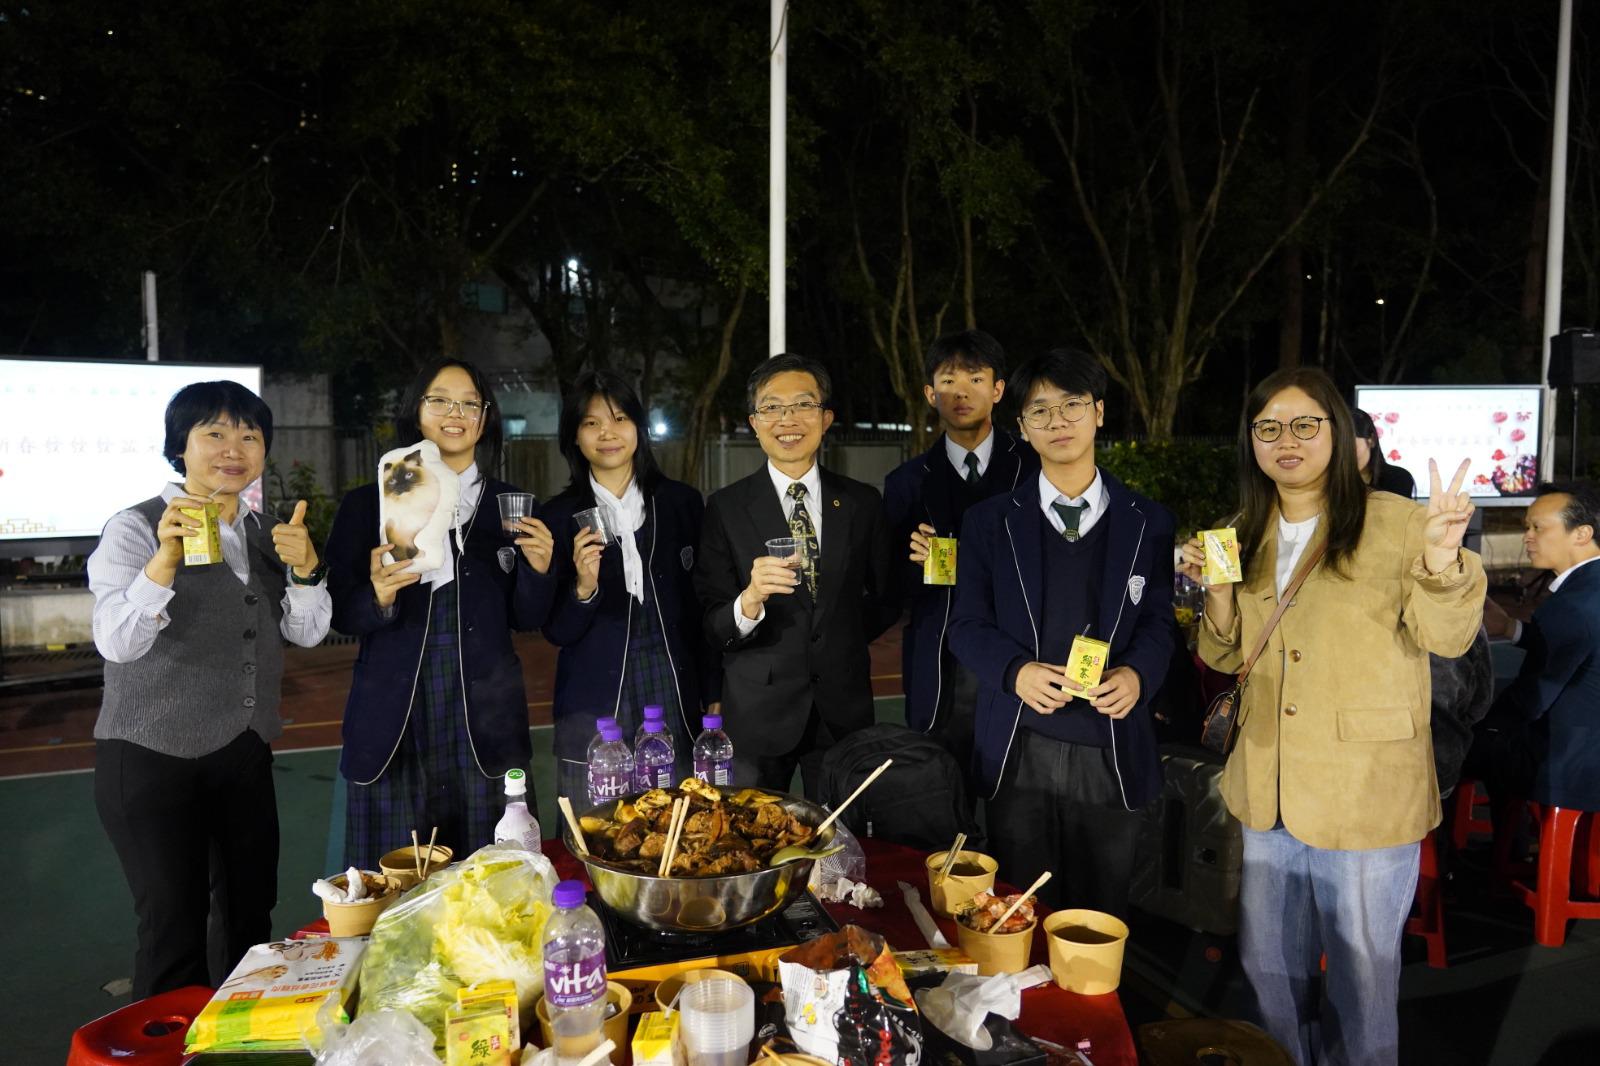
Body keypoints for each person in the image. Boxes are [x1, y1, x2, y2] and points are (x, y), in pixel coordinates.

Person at [1181, 367, 1483, 1066]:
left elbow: (1447, 637)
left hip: (1365, 788)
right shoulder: (1240, 529)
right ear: (1251, 441)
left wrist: (1443, 559)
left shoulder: (1399, 522)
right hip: (1269, 783)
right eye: (1268, 427)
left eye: (1304, 424)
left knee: (1361, 978)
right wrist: (1215, 594)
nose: (1285, 440)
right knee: (1268, 967)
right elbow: (1223, 654)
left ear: (1339, 433)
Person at [88, 380, 331, 998]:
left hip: (243, 752)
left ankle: (238, 1034)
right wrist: (163, 562)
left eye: (250, 436)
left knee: (251, 917)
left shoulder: (268, 532)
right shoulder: (134, 528)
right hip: (150, 755)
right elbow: (116, 642)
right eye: (214, 433)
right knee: (173, 929)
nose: (234, 449)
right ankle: (167, 1041)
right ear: (181, 446)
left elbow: (306, 633)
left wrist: (306, 571)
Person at [947, 348, 1175, 918]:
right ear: (1022, 427)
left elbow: (1159, 621)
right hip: (1020, 742)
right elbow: (965, 624)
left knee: (1102, 912)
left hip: (1110, 742)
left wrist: (1138, 675)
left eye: (1072, 405)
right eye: (1040, 410)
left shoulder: (1148, 521)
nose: (1058, 421)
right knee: (1019, 910)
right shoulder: (989, 522)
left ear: (1098, 412)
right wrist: (1015, 672)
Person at [325, 358, 556, 868]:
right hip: (395, 720)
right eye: (440, 400)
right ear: (416, 410)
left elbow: (527, 616)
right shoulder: (368, 504)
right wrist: (378, 597)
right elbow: (339, 611)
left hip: (486, 720)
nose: (456, 413)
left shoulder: (510, 506)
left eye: (470, 403)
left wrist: (539, 570)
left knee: (494, 885)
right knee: (394, 889)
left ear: (485, 418)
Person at [694, 353, 897, 795]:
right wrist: (749, 600)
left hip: (843, 707)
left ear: (826, 418)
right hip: (758, 712)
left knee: (841, 831)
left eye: (803, 404)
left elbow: (885, 596)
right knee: (755, 829)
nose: (788, 419)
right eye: (772, 407)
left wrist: (841, 641)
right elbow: (711, 621)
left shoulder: (862, 502)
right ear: (754, 422)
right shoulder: (725, 508)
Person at [541, 370, 716, 799]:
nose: (608, 433)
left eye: (620, 418)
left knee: (681, 818)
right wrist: (584, 588)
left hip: (673, 687)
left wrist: (713, 690)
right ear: (575, 437)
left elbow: (704, 608)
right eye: (591, 423)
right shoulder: (557, 517)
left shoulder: (681, 504)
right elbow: (556, 631)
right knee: (597, 827)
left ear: (638, 427)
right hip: (594, 704)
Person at [884, 329, 1036, 787]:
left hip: (1019, 660)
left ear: (998, 390)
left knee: (1015, 799)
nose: (961, 392)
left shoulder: (1034, 469)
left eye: (975, 379)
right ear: (930, 394)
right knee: (939, 796)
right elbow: (889, 586)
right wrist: (910, 563)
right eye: (948, 381)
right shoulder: (905, 482)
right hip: (939, 668)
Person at [1470, 483, 1600, 812]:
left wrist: (1474, 722)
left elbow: (1530, 700)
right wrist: (1511, 628)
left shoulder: (1570, 605)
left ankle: (1468, 843)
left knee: (1449, 746)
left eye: (1538, 528)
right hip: (1588, 746)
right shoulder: (1588, 593)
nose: (1527, 537)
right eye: (1526, 527)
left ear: (1582, 533)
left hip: (1571, 763)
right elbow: (1580, 644)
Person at [1352, 407, 1416, 498]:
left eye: (1349, 443)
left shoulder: (1398, 479)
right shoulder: (1333, 482)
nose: (1343, 453)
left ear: (1371, 439)